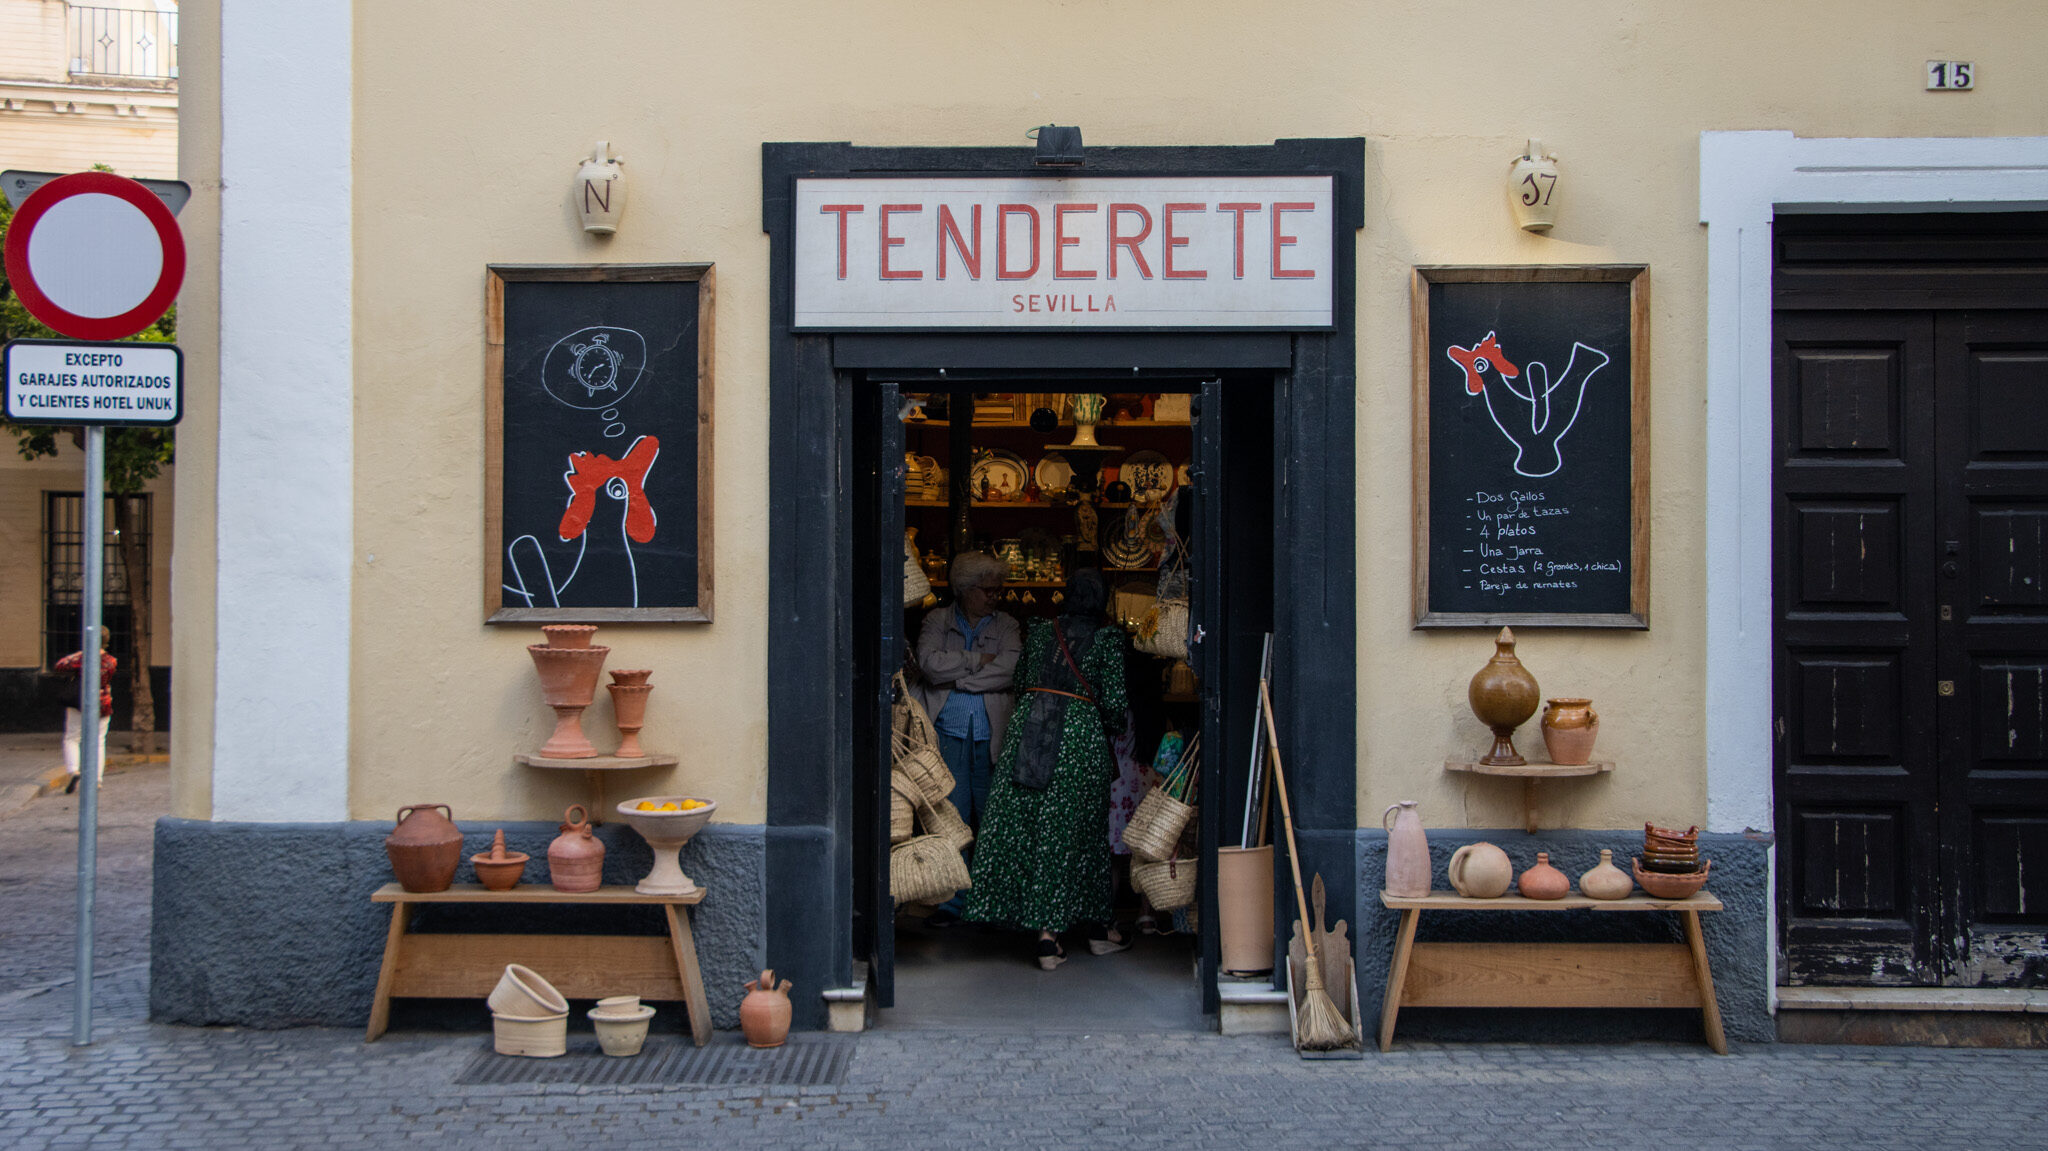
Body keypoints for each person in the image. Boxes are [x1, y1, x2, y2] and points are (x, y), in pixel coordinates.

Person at [963, 569, 1132, 969]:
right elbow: (1115, 706)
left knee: (1028, 826)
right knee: (1079, 832)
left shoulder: (1041, 631)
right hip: (1078, 736)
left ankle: (1042, 932)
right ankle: (1076, 932)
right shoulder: (1107, 640)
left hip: (1031, 728)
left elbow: (1021, 681)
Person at [910, 551, 1023, 928]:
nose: (995, 596)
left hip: (992, 735)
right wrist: (977, 661)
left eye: (998, 589)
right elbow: (928, 663)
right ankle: (951, 903)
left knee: (991, 820)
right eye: (987, 590)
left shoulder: (1006, 624)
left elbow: (1010, 670)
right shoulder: (937, 620)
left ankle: (990, 901)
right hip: (947, 734)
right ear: (964, 590)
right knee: (951, 819)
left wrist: (953, 675)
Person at [55, 627, 118, 794]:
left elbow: (60, 665)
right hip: (102, 702)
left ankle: (74, 770)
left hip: (79, 701)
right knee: (99, 740)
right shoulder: (111, 661)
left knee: (72, 737)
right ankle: (97, 779)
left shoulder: (82, 658)